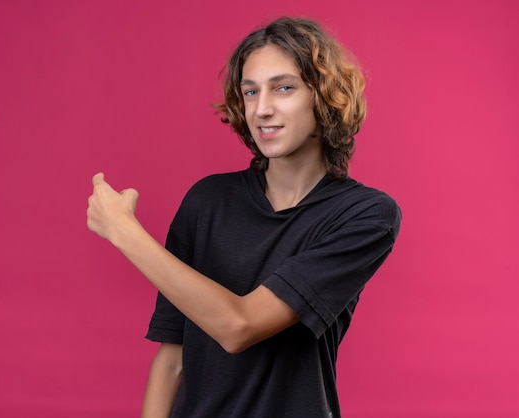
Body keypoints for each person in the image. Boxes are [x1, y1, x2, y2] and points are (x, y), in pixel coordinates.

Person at [87, 17, 401, 418]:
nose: (262, 109)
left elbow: (240, 327)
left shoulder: (365, 216)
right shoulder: (207, 201)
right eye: (250, 91)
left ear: (324, 97)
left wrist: (124, 232)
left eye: (283, 88)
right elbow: (172, 361)